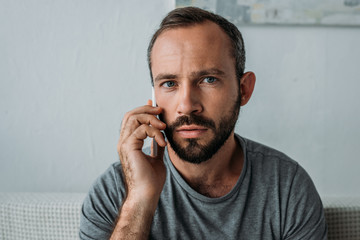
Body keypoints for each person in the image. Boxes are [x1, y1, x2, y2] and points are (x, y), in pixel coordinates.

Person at [79, 7, 327, 240]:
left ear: (243, 90)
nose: (186, 105)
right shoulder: (114, 191)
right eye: (169, 84)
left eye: (208, 79)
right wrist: (141, 200)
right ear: (153, 96)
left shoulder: (287, 186)